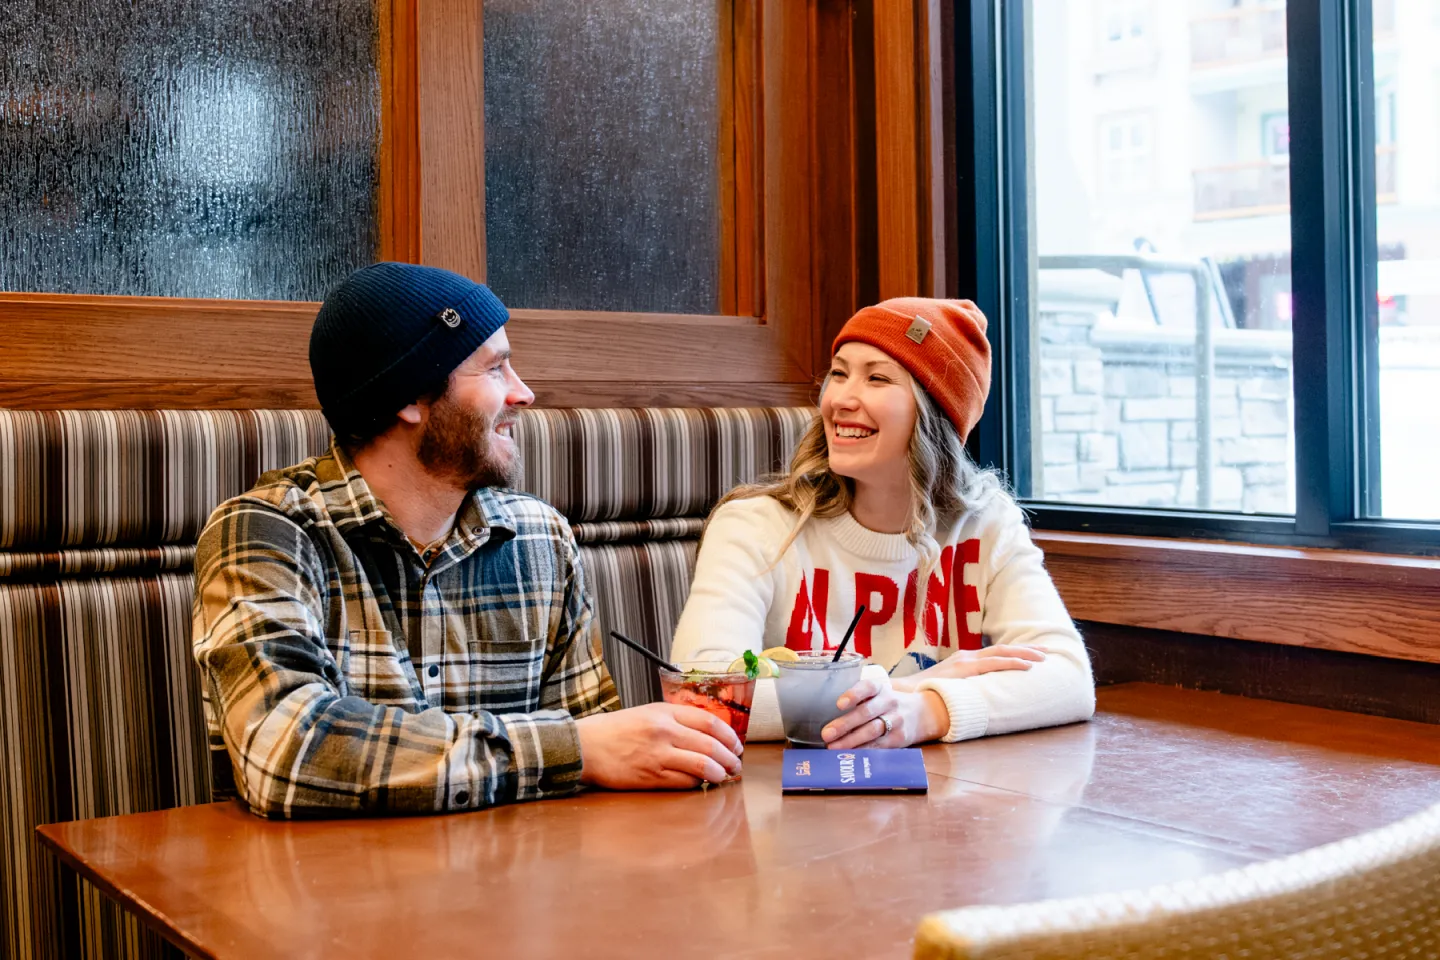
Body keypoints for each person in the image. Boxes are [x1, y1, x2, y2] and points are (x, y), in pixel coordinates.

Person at [193, 262, 742, 819]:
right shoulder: (268, 535)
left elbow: (603, 774)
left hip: (517, 894)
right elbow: (285, 752)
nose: (524, 393)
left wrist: (596, 754)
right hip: (324, 895)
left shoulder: (539, 539)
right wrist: (570, 749)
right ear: (409, 397)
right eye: (496, 368)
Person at [670, 297, 1094, 749]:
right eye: (838, 373)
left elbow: (1068, 679)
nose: (841, 399)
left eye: (877, 378)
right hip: (783, 806)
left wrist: (927, 710)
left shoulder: (987, 525)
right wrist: (896, 692)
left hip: (946, 804)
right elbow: (703, 696)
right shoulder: (755, 526)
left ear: (935, 414)